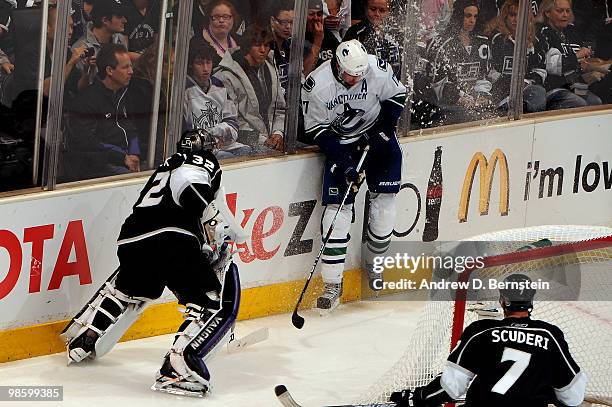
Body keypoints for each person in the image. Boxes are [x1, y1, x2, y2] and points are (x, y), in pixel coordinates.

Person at [61, 129, 245, 397]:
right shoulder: (201, 161)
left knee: (130, 289)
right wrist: (216, 233)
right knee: (207, 301)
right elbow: (191, 189)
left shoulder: (167, 164)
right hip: (173, 238)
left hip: (133, 237)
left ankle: (88, 335)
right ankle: (177, 368)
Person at [301, 39, 406, 311]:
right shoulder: (318, 84)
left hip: (378, 137)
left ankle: (376, 265)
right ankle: (333, 284)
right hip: (342, 143)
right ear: (338, 65)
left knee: (385, 204)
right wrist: (345, 163)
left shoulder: (376, 69)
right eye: (350, 74)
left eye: (360, 74)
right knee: (337, 212)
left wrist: (382, 130)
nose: (356, 78)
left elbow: (397, 97)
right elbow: (317, 131)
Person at [390, 273, 587, 407]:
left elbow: (450, 388)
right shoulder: (550, 335)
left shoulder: (480, 331)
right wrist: (545, 390)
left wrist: (417, 397)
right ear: (531, 300)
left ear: (502, 300)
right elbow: (573, 396)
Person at [65, 43, 140, 180]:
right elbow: (87, 141)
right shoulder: (87, 100)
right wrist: (121, 157)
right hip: (100, 166)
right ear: (109, 71)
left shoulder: (124, 94)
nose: (131, 71)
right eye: (125, 67)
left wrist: (135, 153)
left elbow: (132, 129)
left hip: (127, 159)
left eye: (130, 66)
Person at [214, 24, 286, 153]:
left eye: (267, 45)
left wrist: (278, 133)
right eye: (258, 45)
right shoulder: (226, 76)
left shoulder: (272, 68)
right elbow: (232, 120)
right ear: (247, 46)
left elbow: (280, 109)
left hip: (273, 140)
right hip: (242, 144)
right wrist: (262, 140)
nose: (263, 50)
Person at [426, 0, 494, 124]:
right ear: (458, 15)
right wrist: (459, 97)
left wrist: (483, 96)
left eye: (475, 16)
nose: (472, 20)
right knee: (465, 115)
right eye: (468, 16)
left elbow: (483, 77)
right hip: (447, 106)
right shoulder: (442, 43)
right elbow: (436, 84)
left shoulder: (482, 43)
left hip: (474, 102)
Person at [184, 37, 250, 158]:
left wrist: (219, 133)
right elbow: (184, 134)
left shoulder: (219, 85)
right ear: (190, 65)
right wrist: (210, 140)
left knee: (247, 151)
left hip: (222, 144)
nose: (205, 68)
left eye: (208, 62)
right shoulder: (184, 90)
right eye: (199, 63)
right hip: (198, 151)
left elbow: (233, 123)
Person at [535, 0, 602, 109]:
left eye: (567, 11)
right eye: (560, 11)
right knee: (579, 104)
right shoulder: (542, 32)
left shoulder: (572, 32)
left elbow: (578, 64)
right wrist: (577, 56)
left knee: (595, 102)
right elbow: (550, 65)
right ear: (547, 13)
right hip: (552, 87)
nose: (565, 15)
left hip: (573, 85)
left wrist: (592, 67)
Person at [487, 0, 547, 113]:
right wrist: (513, 83)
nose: (516, 19)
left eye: (520, 15)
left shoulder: (535, 42)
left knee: (538, 91)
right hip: (500, 93)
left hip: (527, 91)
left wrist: (527, 82)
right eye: (512, 15)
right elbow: (491, 71)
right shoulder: (497, 39)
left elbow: (541, 71)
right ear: (505, 16)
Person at [72, 0, 129, 86]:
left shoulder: (120, 40)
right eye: (119, 16)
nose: (125, 20)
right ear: (105, 20)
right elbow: (80, 89)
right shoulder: (80, 48)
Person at [343, 0, 403, 77]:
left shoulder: (397, 34)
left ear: (389, 11)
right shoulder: (356, 33)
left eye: (382, 10)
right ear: (365, 9)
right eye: (373, 9)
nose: (377, 14)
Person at [303, 0, 340, 76]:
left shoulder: (329, 36)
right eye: (311, 14)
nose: (316, 18)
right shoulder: (299, 38)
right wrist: (318, 40)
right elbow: (305, 72)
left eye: (319, 14)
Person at [270, 0, 294, 94]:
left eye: (292, 22)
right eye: (284, 22)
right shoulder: (265, 47)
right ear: (272, 21)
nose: (288, 27)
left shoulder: (291, 46)